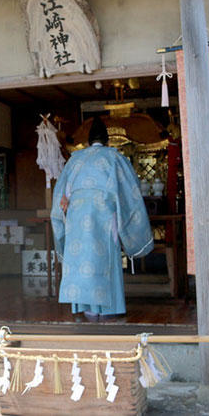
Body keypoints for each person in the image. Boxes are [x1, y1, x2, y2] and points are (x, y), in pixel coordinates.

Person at [51, 117, 153, 322]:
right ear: (107, 141)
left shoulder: (75, 159)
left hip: (76, 215)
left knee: (82, 259)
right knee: (104, 256)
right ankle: (108, 308)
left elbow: (60, 193)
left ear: (88, 141)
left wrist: (63, 216)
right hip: (104, 213)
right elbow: (129, 192)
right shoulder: (115, 157)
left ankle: (86, 307)